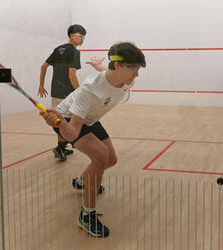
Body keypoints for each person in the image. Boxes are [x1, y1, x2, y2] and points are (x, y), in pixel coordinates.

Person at [40, 42, 146, 237]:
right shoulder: (90, 90)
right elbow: (71, 134)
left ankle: (82, 181)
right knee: (100, 156)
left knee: (111, 160)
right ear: (119, 66)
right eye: (133, 69)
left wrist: (98, 65)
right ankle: (86, 216)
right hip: (69, 118)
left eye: (137, 69)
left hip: (90, 118)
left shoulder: (125, 78)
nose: (136, 75)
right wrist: (61, 124)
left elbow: (106, 71)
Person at [38, 24, 86, 161]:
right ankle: (60, 147)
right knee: (72, 121)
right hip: (68, 94)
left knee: (59, 121)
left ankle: (61, 147)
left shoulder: (58, 49)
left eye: (84, 37)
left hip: (55, 91)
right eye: (80, 36)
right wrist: (80, 92)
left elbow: (43, 66)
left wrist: (41, 85)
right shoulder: (75, 52)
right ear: (71, 36)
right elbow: (72, 75)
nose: (82, 39)